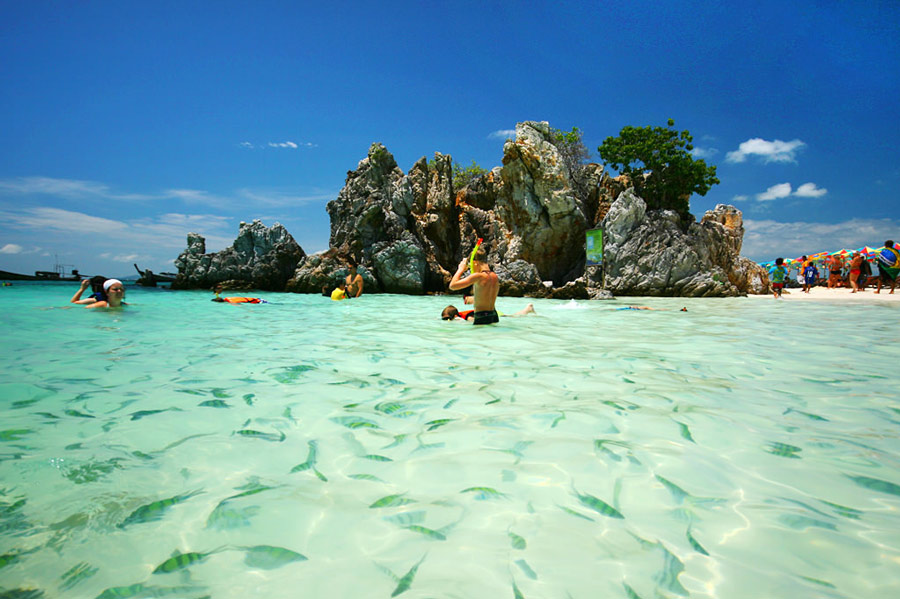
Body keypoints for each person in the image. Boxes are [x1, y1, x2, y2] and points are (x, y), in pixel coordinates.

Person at [449, 245, 499, 325]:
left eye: (470, 266)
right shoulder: (494, 276)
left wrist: (460, 269)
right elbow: (485, 297)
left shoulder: (478, 276)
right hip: (494, 315)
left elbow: (452, 286)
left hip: (481, 316)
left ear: (475, 263)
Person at [441, 303, 536, 321]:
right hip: (488, 313)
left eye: (447, 319)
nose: (446, 320)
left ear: (455, 316)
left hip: (492, 314)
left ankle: (528, 309)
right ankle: (528, 309)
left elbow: (473, 321)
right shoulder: (460, 316)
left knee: (513, 317)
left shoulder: (467, 317)